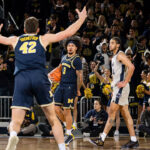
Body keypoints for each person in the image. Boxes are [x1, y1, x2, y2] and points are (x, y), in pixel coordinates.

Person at [0, 6, 87, 150]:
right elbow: (68, 32)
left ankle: (14, 134)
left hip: (22, 78)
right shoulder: (43, 38)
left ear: (24, 30)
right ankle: (62, 147)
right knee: (53, 119)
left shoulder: (15, 40)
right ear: (38, 29)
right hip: (39, 78)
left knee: (16, 120)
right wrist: (82, 19)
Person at [89, 37, 139, 148]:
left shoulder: (120, 55)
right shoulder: (115, 56)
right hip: (118, 88)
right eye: (109, 43)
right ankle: (134, 139)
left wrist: (125, 82)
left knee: (111, 113)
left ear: (118, 45)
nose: (109, 45)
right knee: (125, 114)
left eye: (112, 43)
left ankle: (101, 139)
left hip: (121, 88)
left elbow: (132, 66)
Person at [54, 36, 83, 146]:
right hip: (61, 85)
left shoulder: (77, 59)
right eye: (69, 45)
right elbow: (59, 69)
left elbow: (80, 76)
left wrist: (78, 89)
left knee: (67, 111)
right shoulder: (63, 56)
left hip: (70, 87)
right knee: (55, 108)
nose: (70, 47)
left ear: (76, 48)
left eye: (72, 46)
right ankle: (67, 125)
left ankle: (69, 133)